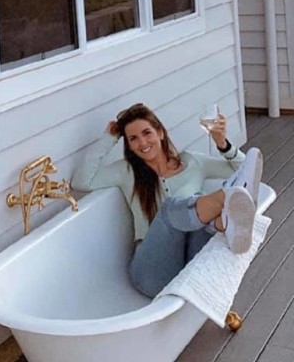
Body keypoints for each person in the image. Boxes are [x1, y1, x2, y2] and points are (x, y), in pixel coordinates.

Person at [71, 103, 263, 298]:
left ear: (160, 133)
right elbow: (81, 181)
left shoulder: (192, 162)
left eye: (147, 133)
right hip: (152, 273)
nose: (143, 143)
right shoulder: (126, 171)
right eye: (133, 139)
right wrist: (109, 138)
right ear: (128, 145)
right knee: (174, 206)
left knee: (195, 205)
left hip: (191, 262)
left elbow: (244, 169)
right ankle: (223, 211)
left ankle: (222, 220)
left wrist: (222, 143)